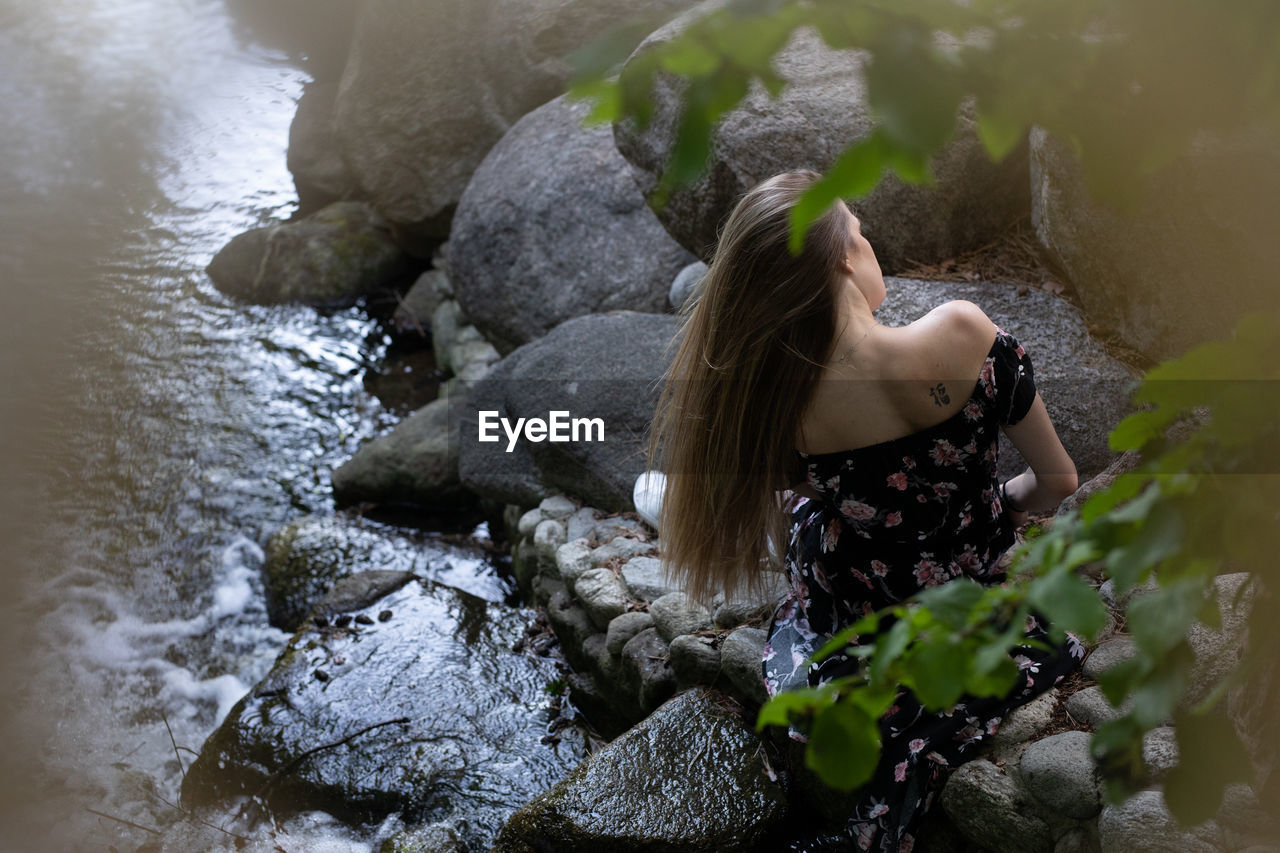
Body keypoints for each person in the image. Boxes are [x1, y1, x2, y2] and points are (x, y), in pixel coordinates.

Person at [646, 169, 1084, 851]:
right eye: (861, 230)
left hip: (859, 602)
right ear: (844, 257)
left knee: (804, 518)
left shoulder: (780, 405)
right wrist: (995, 508)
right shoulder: (963, 332)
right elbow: (1059, 480)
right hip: (970, 594)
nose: (868, 241)